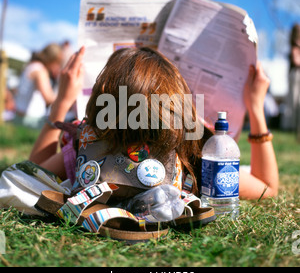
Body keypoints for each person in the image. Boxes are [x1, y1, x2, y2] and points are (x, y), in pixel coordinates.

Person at [0, 46, 279, 215]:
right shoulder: (191, 156)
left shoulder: (87, 148)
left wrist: (61, 102)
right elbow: (268, 187)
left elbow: (31, 174)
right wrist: (256, 110)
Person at [14, 43, 63, 129]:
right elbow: (48, 98)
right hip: (31, 120)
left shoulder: (31, 65)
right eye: (58, 63)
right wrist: (66, 97)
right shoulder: (40, 70)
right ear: (53, 59)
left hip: (18, 115)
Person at [281, 24, 300, 136]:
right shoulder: (294, 48)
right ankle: (291, 125)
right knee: (294, 99)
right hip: (296, 75)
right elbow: (297, 62)